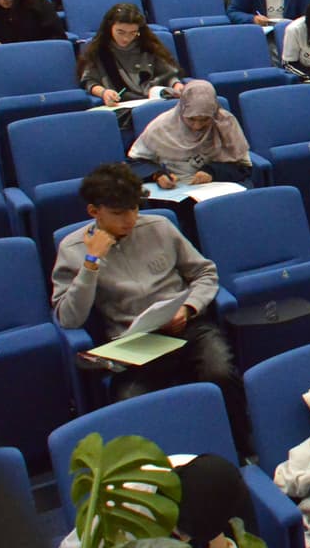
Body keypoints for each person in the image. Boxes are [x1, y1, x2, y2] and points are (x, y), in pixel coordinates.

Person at [52, 162, 251, 457]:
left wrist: (188, 307)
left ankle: (239, 451)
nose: (130, 220)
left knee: (220, 371)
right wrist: (91, 262)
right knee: (130, 401)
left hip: (186, 326)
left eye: (134, 209)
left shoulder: (159, 226)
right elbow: (69, 317)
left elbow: (205, 274)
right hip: (133, 344)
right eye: (119, 213)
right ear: (94, 212)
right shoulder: (72, 249)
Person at [129, 80, 253, 189]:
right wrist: (158, 175)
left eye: (205, 119)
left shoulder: (225, 123)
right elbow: (136, 162)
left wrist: (212, 172)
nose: (197, 126)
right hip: (177, 188)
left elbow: (243, 166)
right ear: (182, 110)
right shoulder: (161, 127)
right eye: (191, 119)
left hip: (219, 185)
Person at [78, 3, 183, 107]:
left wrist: (176, 85)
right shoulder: (99, 50)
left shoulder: (148, 46)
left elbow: (167, 75)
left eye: (133, 33)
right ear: (110, 27)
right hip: (121, 104)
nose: (126, 38)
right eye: (120, 32)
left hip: (153, 100)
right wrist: (104, 93)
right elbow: (89, 81)